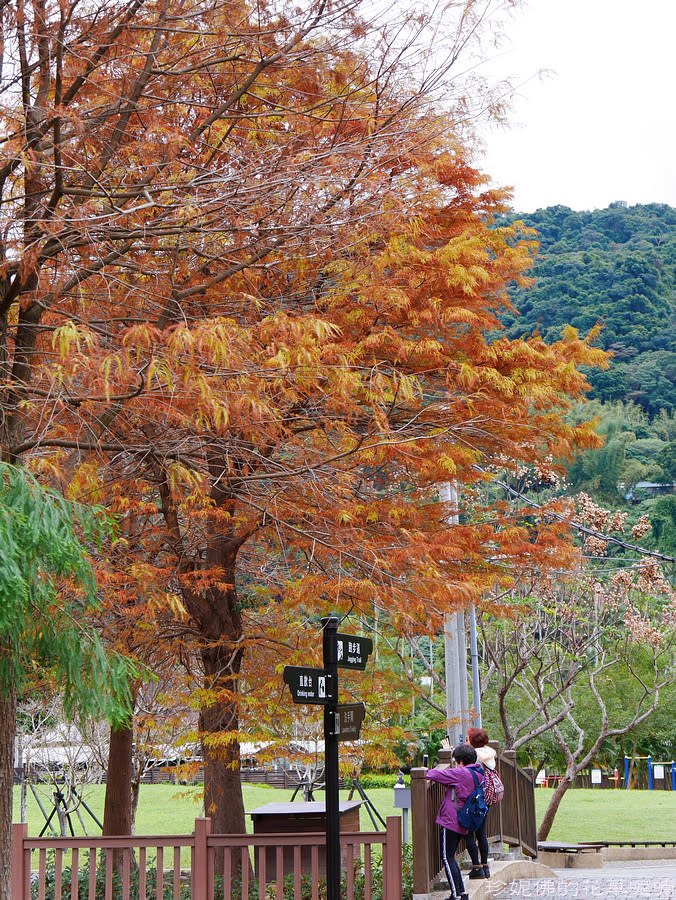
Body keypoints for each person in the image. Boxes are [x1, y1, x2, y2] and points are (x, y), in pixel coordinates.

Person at [425, 743, 485, 900]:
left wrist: (424, 771)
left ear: (460, 761)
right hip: (465, 820)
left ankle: (456, 895)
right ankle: (462, 893)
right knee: (451, 857)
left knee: (447, 857)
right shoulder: (478, 773)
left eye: (456, 761)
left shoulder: (461, 774)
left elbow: (435, 775)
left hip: (452, 820)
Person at [467, 726, 497, 879]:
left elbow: (463, 764)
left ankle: (477, 867)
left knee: (469, 833)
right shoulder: (489, 753)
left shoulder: (474, 755)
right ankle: (485, 866)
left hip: (475, 797)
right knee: (482, 833)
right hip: (488, 797)